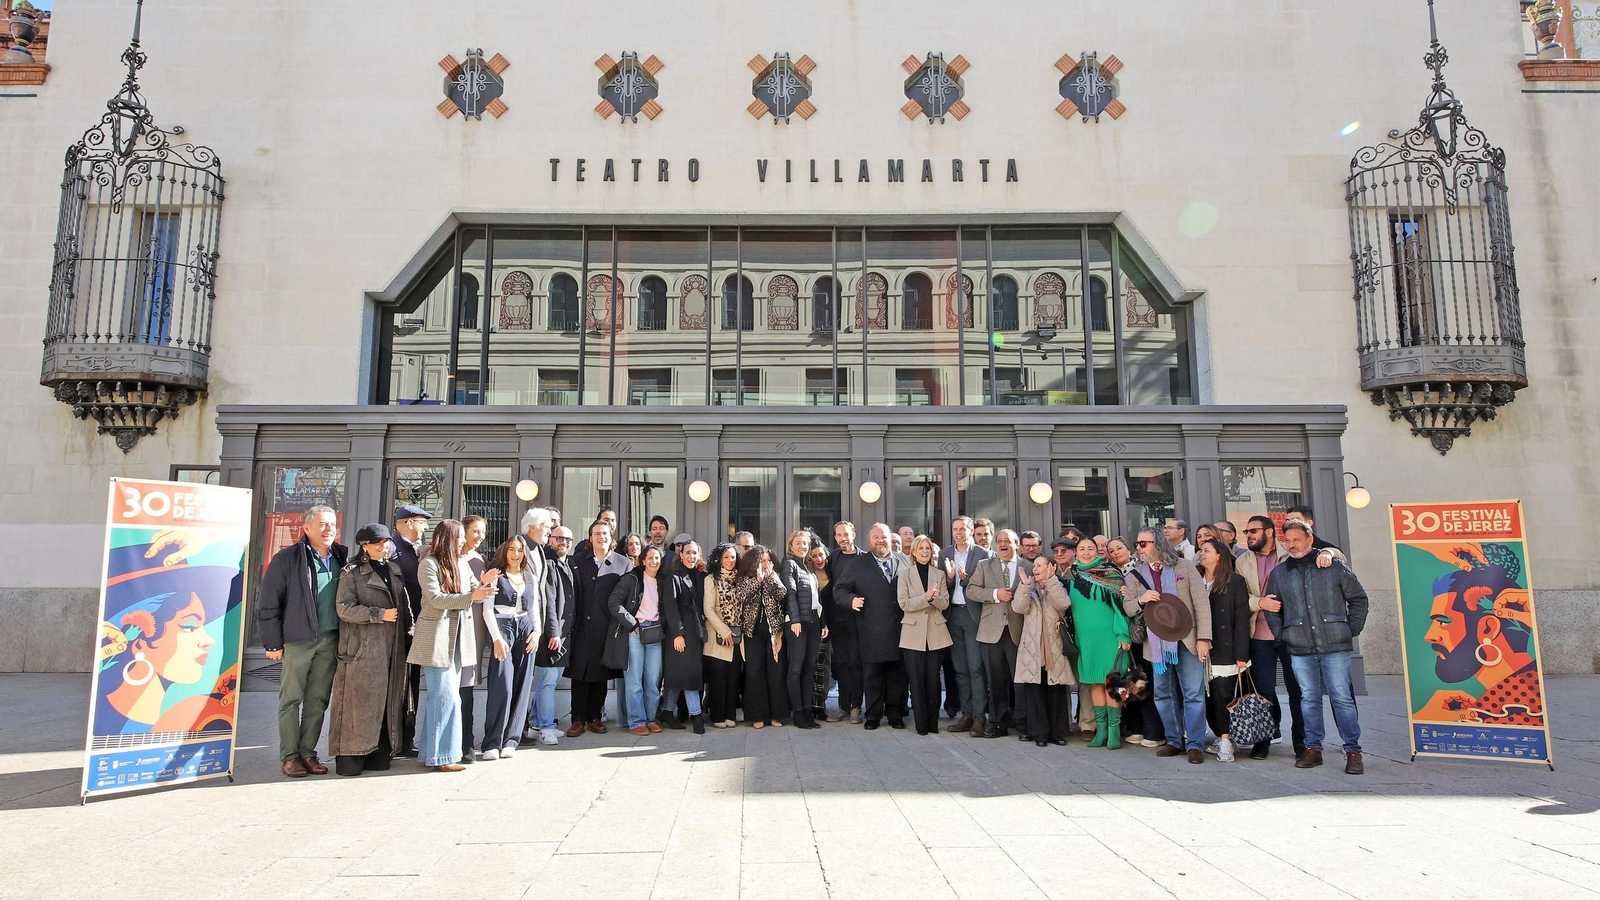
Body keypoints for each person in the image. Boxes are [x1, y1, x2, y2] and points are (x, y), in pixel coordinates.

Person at [1265, 521, 1369, 775]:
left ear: (1310, 540)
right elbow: (1272, 609)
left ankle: (1353, 750)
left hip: (1335, 644)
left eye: (1296, 540)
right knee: (1308, 699)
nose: (1291, 545)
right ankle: (1312, 749)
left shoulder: (1333, 567)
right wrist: (1282, 634)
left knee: (1342, 698)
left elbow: (1358, 599)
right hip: (1299, 646)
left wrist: (1350, 629)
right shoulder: (1279, 573)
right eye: (1287, 541)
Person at [257, 505, 347, 778]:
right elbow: (269, 603)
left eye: (332, 524)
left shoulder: (342, 557)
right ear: (306, 528)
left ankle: (308, 752)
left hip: (330, 640)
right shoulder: (287, 558)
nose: (329, 529)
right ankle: (289, 757)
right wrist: (272, 644)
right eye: (322, 524)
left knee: (318, 700)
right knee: (291, 699)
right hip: (298, 640)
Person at [408, 519, 499, 772]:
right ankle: (444, 757)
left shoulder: (461, 562)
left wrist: (486, 583)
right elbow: (434, 599)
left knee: (444, 697)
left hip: (459, 637)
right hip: (437, 637)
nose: (463, 540)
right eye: (459, 536)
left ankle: (431, 753)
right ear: (446, 537)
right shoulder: (428, 563)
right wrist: (473, 596)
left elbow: (474, 589)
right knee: (446, 697)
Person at [328, 523, 411, 777]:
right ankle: (352, 758)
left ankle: (380, 753)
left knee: (385, 703)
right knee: (357, 706)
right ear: (364, 546)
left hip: (391, 649)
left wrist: (411, 632)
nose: (384, 546)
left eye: (386, 542)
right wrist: (379, 614)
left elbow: (404, 606)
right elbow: (344, 609)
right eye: (378, 543)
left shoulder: (393, 569)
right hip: (361, 652)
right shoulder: (351, 573)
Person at [1125, 528, 1211, 763]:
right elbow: (1128, 607)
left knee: (1193, 693)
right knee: (1163, 694)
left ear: (1159, 543)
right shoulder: (1135, 573)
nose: (1139, 548)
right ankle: (1174, 740)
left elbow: (1201, 604)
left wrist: (1204, 638)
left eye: (1144, 543)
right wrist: (1142, 600)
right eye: (1137, 543)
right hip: (1156, 644)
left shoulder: (1184, 567)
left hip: (1187, 639)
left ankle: (1194, 744)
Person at [836, 524, 910, 730]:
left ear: (891, 539)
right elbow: (840, 589)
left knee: (897, 676)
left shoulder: (904, 561)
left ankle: (895, 714)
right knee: (872, 676)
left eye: (884, 537)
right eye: (876, 537)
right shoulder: (857, 564)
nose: (880, 540)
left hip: (900, 630)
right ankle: (873, 716)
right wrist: (850, 600)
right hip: (870, 629)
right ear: (869, 542)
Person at [1239, 515, 1300, 760]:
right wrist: (1258, 602)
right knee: (1263, 690)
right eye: (1246, 531)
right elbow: (1238, 595)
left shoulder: (1291, 553)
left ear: (1270, 532)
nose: (1249, 535)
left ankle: (1302, 743)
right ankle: (1264, 739)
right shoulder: (1243, 561)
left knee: (1297, 689)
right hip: (1258, 632)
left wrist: (1329, 553)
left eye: (1253, 531)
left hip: (1291, 632)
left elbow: (1332, 555)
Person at [565, 521, 631, 737]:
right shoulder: (576, 562)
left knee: (600, 673)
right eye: (596, 533)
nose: (600, 537)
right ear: (590, 538)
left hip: (607, 627)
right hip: (581, 626)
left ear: (611, 536)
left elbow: (628, 596)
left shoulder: (623, 563)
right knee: (580, 673)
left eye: (604, 533)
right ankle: (577, 719)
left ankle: (595, 717)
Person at [479, 536, 543, 759]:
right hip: (502, 627)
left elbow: (535, 609)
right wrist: (496, 638)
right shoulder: (496, 575)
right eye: (511, 550)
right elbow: (487, 610)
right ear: (504, 552)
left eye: (519, 550)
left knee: (522, 685)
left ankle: (511, 740)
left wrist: (537, 632)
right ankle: (491, 743)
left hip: (526, 628)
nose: (516, 554)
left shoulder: (530, 576)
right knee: (501, 685)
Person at [1065, 537, 1131, 750]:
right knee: (1094, 682)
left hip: (1109, 637)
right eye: (1081, 549)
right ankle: (1100, 729)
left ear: (1098, 551)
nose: (1086, 552)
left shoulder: (1110, 574)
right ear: (1076, 552)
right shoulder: (1071, 576)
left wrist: (1123, 634)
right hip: (1086, 639)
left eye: (1090, 549)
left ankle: (1113, 730)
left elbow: (1121, 607)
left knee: (1112, 683)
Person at [605, 544, 670, 736]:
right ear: (643, 560)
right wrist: (631, 624)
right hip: (635, 632)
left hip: (655, 633)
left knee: (653, 680)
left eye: (657, 558)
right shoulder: (631, 579)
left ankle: (651, 718)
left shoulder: (663, 580)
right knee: (634, 680)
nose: (654, 561)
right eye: (650, 558)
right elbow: (614, 602)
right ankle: (636, 721)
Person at [968, 529, 1027, 739]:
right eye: (999, 541)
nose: (1003, 544)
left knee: (1020, 681)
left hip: (1018, 631)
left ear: (1017, 544)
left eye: (1007, 541)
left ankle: (1023, 723)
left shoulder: (1027, 566)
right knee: (995, 680)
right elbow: (971, 590)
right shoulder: (985, 565)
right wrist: (995, 594)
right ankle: (997, 723)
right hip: (991, 631)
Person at [1196, 539, 1251, 762]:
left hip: (1225, 648)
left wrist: (1241, 654)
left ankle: (1227, 741)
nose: (1201, 554)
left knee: (1222, 695)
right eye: (1201, 550)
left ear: (1219, 555)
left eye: (1207, 551)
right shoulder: (1195, 579)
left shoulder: (1234, 581)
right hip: (1197, 648)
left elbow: (1241, 619)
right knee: (1205, 696)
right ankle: (1219, 735)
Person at [1014, 554, 1076, 747]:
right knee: (1034, 692)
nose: (1036, 569)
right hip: (1032, 649)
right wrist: (1024, 586)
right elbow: (1018, 607)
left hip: (1054, 647)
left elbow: (1063, 604)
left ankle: (1056, 733)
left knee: (1055, 691)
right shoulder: (1028, 588)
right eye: (1035, 566)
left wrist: (1051, 581)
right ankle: (1039, 733)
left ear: (1051, 568)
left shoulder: (1058, 586)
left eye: (1040, 565)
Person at [938, 516, 991, 737]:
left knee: (976, 668)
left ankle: (979, 717)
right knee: (960, 669)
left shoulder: (983, 554)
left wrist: (965, 578)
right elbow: (943, 586)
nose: (958, 532)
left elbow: (987, 585)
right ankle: (966, 714)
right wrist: (951, 578)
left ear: (971, 531)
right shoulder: (945, 554)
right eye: (955, 529)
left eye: (962, 529)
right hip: (953, 615)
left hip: (974, 615)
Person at [1108, 536, 1162, 748]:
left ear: (1127, 548)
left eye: (1119, 548)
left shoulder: (1140, 568)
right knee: (1129, 682)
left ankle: (1153, 731)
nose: (1115, 553)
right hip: (1123, 636)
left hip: (1144, 634)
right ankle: (1135, 728)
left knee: (1146, 682)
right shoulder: (1109, 574)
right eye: (1111, 550)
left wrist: (1130, 596)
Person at [898, 535, 953, 736]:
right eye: (920, 548)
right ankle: (921, 724)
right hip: (912, 634)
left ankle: (933, 723)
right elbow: (904, 604)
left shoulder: (938, 574)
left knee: (933, 680)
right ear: (913, 551)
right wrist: (925, 597)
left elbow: (945, 603)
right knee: (916, 680)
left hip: (936, 633)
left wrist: (935, 598)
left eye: (927, 548)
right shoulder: (904, 574)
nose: (924, 551)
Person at [527, 525, 576, 745]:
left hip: (564, 633)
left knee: (551, 680)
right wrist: (554, 632)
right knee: (547, 681)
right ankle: (546, 727)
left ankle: (536, 723)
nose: (564, 542)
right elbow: (549, 602)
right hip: (552, 634)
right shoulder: (548, 564)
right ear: (550, 540)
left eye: (568, 539)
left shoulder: (566, 563)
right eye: (559, 538)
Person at [391, 504, 431, 755]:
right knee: (399, 686)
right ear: (408, 523)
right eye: (422, 522)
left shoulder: (420, 551)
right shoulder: (392, 550)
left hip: (418, 629)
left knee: (412, 686)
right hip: (398, 631)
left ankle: (407, 740)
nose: (426, 527)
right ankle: (395, 742)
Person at [735, 544, 789, 728]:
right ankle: (757, 715)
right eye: (761, 561)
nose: (765, 564)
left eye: (767, 560)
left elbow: (782, 594)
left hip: (774, 631)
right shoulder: (745, 578)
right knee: (755, 672)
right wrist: (757, 581)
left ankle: (777, 714)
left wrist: (771, 577)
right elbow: (740, 596)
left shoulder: (775, 576)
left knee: (776, 671)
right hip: (752, 631)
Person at [780, 531, 828, 729]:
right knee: (796, 668)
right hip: (798, 623)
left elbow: (817, 600)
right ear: (791, 546)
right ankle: (798, 712)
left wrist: (823, 622)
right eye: (798, 543)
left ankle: (808, 711)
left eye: (805, 544)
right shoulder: (789, 564)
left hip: (813, 622)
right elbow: (790, 593)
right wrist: (795, 620)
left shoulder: (807, 567)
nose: (802, 547)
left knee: (810, 668)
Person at [1051, 536, 1096, 740]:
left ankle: (1087, 724)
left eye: (1064, 551)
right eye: (1056, 552)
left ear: (1074, 553)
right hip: (1056, 632)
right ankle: (1064, 722)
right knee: (1061, 679)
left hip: (1081, 631)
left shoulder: (1081, 572)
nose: (1060, 555)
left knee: (1084, 679)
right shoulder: (1050, 571)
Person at [662, 540, 707, 733]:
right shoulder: (673, 577)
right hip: (680, 633)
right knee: (689, 675)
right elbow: (670, 608)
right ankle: (696, 716)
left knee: (678, 675)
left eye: (694, 553)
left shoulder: (701, 576)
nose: (691, 556)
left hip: (696, 633)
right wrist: (677, 634)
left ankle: (666, 711)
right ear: (680, 555)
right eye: (687, 552)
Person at [456, 515, 490, 764]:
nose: (479, 536)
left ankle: (466, 740)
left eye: (482, 532)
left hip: (474, 627)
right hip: (452, 626)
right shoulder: (448, 558)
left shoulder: (480, 560)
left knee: (468, 685)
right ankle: (456, 741)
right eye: (475, 531)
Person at [827, 521, 866, 723]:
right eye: (839, 535)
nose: (843, 538)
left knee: (856, 662)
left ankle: (856, 707)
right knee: (841, 662)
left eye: (846, 534)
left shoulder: (864, 558)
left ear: (854, 534)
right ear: (835, 538)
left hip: (858, 619)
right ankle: (842, 705)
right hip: (837, 619)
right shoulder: (833, 557)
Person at [702, 543, 743, 728]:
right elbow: (708, 610)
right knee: (718, 678)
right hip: (717, 635)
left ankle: (730, 714)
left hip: (737, 637)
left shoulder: (741, 579)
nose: (730, 561)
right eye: (726, 557)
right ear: (719, 558)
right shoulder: (711, 579)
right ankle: (717, 715)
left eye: (733, 557)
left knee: (733, 678)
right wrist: (724, 631)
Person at [806, 542, 835, 722]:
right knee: (812, 664)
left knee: (824, 666)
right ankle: (809, 703)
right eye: (814, 556)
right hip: (814, 624)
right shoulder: (808, 575)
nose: (818, 559)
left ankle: (820, 704)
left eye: (821, 555)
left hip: (832, 624)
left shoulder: (834, 573)